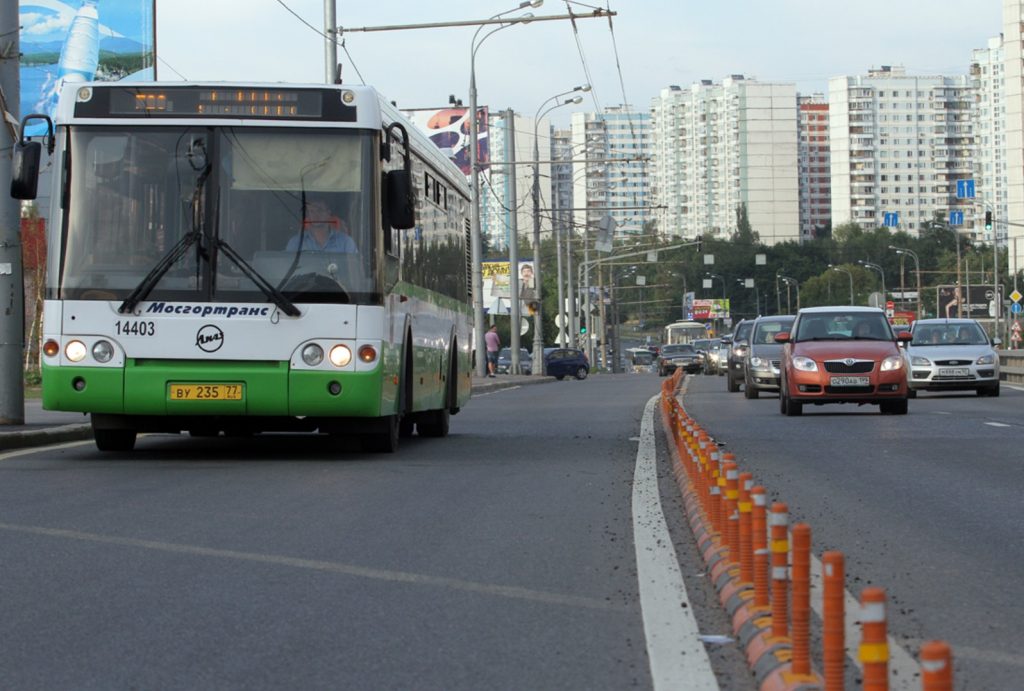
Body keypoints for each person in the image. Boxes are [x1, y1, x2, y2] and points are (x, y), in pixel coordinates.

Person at [285, 198, 357, 253]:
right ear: (307, 215)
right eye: (311, 211)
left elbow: (354, 269)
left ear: (328, 213)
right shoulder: (296, 243)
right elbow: (287, 267)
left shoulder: (346, 242)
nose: (316, 215)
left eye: (319, 210)